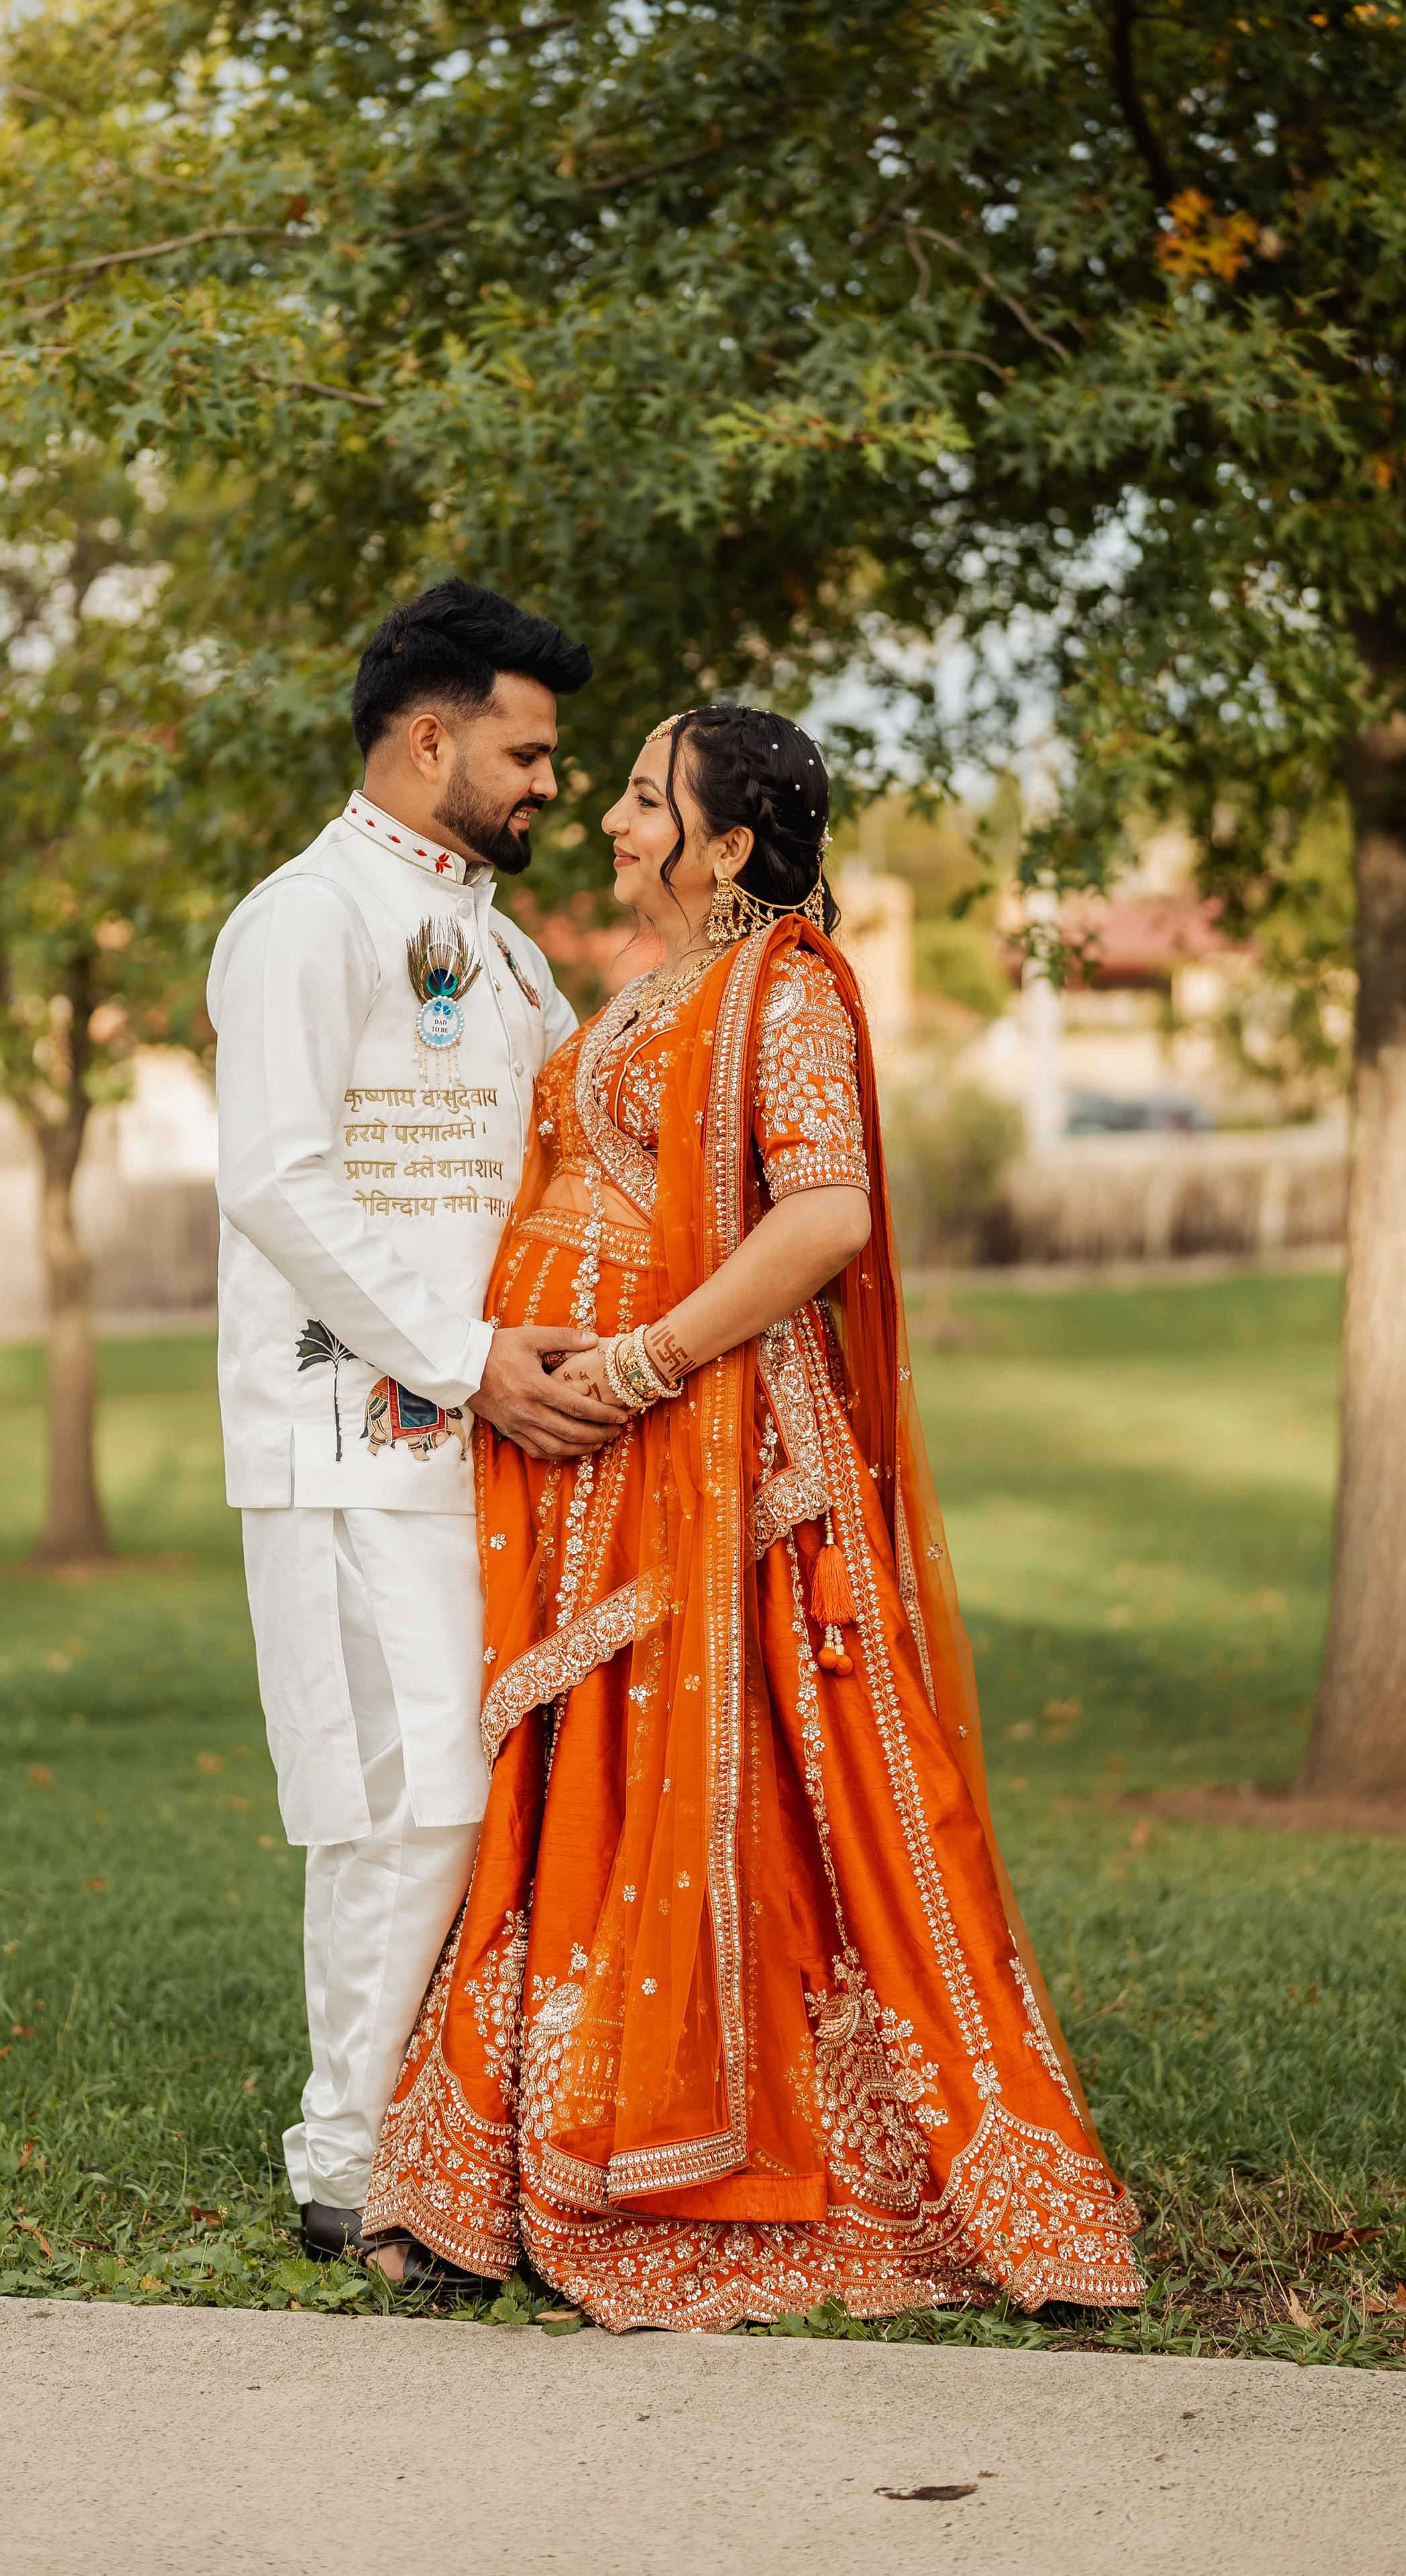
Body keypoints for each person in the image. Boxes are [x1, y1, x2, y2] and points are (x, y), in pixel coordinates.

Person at [364, 702, 1145, 2328]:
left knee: (767, 1791)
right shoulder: (655, 988)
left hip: (719, 1460)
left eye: (645, 802)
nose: (610, 822)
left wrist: (641, 1360)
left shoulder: (777, 988)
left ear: (727, 846)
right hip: (597, 1467)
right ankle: (511, 2170)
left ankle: (780, 2169)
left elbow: (832, 1212)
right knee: (593, 1782)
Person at [207, 579, 627, 2284]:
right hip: (350, 1425)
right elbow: (274, 1178)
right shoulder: (302, 920)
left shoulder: (504, 940)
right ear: (431, 734)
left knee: (476, 1785)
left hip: (494, 1429)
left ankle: (441, 2141)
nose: (546, 782)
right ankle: (346, 2158)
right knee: (399, 1797)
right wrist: (462, 1357)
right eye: (526, 751)